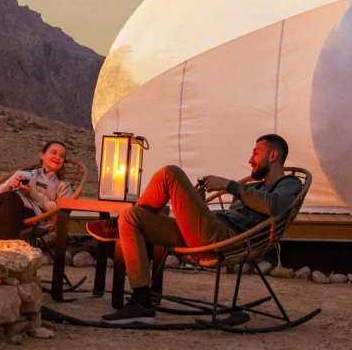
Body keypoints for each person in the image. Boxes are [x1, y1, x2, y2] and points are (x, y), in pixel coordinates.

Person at [86, 133, 302, 325]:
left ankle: (115, 226)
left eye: (256, 153)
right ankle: (141, 302)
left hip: (226, 240)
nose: (250, 159)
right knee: (132, 217)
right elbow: (231, 215)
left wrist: (230, 185)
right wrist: (199, 206)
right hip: (210, 230)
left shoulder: (289, 184)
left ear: (273, 156)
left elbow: (275, 206)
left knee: (170, 173)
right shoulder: (253, 187)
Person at [0, 141, 73, 239]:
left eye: (61, 156)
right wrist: (9, 186)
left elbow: (59, 209)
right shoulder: (23, 175)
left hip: (31, 216)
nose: (58, 157)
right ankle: (5, 246)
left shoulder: (63, 186)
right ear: (42, 155)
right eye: (54, 153)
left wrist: (31, 193)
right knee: (7, 199)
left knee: (10, 199)